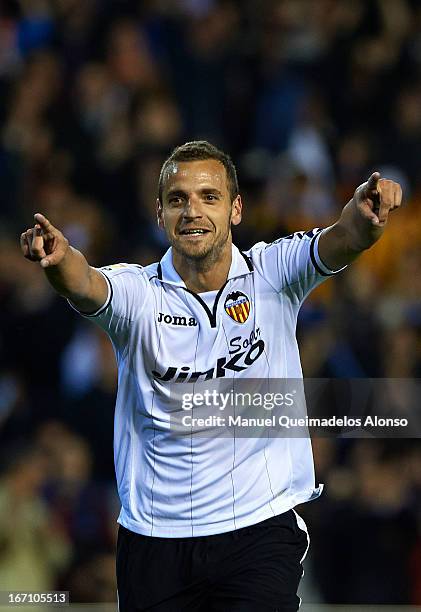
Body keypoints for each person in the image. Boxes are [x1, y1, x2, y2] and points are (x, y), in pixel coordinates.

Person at [20, 141, 402, 611]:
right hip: (156, 540)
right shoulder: (139, 296)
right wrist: (59, 262)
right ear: (159, 213)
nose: (192, 210)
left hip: (258, 532)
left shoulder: (273, 272)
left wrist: (365, 218)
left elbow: (342, 238)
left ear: (236, 208)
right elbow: (86, 282)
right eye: (177, 199)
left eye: (209, 196)